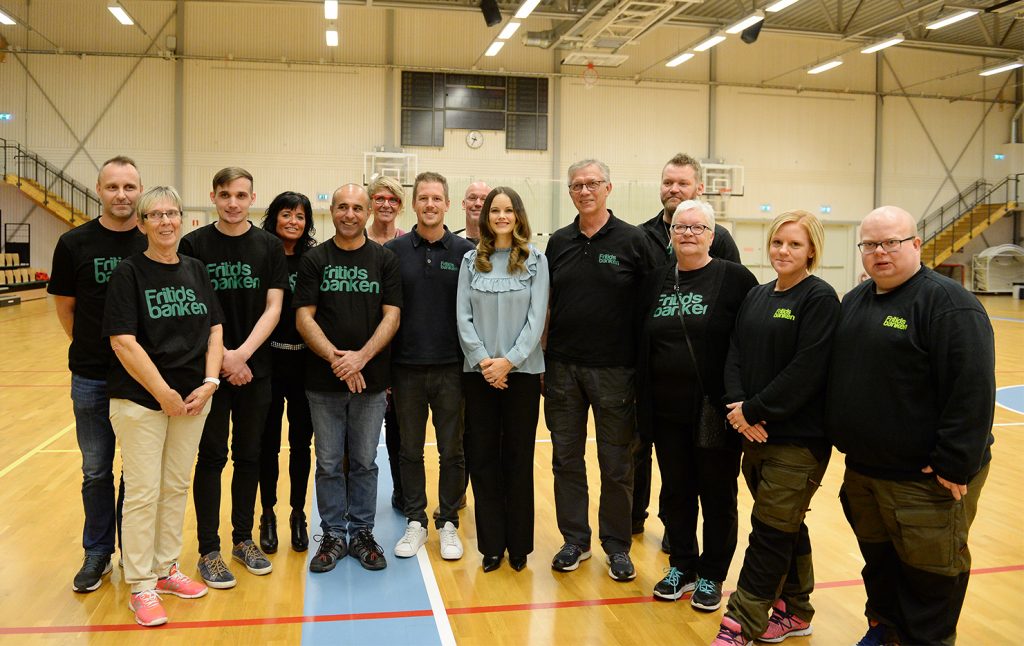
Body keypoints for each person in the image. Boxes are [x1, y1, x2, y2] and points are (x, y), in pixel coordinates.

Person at [827, 206, 995, 646]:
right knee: (879, 563)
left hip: (925, 481)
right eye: (870, 244)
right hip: (865, 472)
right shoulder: (856, 301)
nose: (880, 252)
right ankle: (886, 631)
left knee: (930, 574)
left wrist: (956, 463)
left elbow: (972, 390)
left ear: (916, 244)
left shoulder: (950, 305)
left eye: (891, 242)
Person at [712, 211, 840, 645]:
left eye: (795, 245)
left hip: (797, 441)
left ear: (812, 251)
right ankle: (796, 609)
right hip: (753, 433)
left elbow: (808, 371)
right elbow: (735, 354)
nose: (783, 251)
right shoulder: (758, 295)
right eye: (778, 243)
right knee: (786, 524)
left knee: (768, 532)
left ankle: (738, 625)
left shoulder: (819, 298)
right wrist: (739, 409)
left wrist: (754, 410)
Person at [103, 186, 224, 626]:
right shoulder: (128, 273)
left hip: (194, 400)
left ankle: (166, 566)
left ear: (181, 219)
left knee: (175, 486)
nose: (166, 221)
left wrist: (210, 381)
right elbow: (123, 341)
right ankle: (140, 584)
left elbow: (215, 330)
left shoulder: (195, 268)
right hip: (141, 402)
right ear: (142, 223)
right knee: (142, 492)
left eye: (172, 213)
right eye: (156, 215)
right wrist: (162, 393)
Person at [637, 199, 757, 611]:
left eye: (697, 228)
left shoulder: (735, 279)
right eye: (680, 227)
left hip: (714, 412)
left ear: (712, 235)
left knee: (717, 495)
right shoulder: (655, 281)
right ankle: (682, 566)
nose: (688, 233)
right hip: (665, 412)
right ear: (670, 235)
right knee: (677, 494)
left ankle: (712, 574)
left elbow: (747, 345)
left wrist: (743, 399)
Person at [544, 159, 658, 582]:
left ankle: (617, 545)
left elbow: (651, 308)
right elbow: (548, 306)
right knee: (566, 459)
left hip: (616, 372)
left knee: (616, 464)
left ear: (609, 187)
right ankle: (575, 540)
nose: (585, 190)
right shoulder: (558, 242)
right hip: (562, 370)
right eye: (577, 185)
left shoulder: (635, 240)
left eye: (593, 183)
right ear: (570, 192)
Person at [179, 167, 288, 589]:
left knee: (249, 457)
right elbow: (197, 309)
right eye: (225, 194)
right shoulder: (194, 244)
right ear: (213, 196)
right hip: (209, 373)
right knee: (210, 459)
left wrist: (243, 354)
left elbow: (274, 307)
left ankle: (242, 540)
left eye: (241, 195)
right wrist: (224, 359)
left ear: (252, 197)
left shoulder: (269, 245)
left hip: (255, 370)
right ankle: (209, 549)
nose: (233, 202)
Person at [48, 156, 147, 592]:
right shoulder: (74, 243)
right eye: (113, 187)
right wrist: (93, 349)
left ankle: (135, 551)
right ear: (99, 190)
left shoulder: (153, 241)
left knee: (140, 471)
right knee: (95, 470)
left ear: (139, 190)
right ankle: (97, 552)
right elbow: (66, 309)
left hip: (142, 377)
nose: (121, 195)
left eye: (129, 187)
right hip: (91, 376)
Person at [634, 153, 741, 542]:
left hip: (710, 399)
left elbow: (734, 320)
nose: (673, 189)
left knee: (715, 488)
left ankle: (711, 569)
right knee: (673, 481)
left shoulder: (728, 259)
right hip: (663, 396)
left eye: (682, 183)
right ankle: (673, 544)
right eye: (668, 182)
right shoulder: (642, 236)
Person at [295, 183, 402, 573]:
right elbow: (304, 315)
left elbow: (392, 314)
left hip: (371, 380)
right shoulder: (315, 259)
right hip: (322, 382)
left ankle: (361, 533)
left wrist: (361, 359)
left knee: (364, 461)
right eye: (343, 206)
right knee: (326, 461)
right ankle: (333, 536)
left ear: (368, 211)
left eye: (358, 207)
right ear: (333, 211)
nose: (350, 214)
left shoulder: (384, 259)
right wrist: (337, 359)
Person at [456, 187, 548, 573]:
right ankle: (491, 544)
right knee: (483, 460)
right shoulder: (468, 261)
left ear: (518, 215)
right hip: (479, 376)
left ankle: (519, 546)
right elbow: (463, 317)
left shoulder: (535, 261)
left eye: (508, 210)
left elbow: (536, 318)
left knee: (517, 460)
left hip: (522, 376)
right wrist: (484, 362)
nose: (501, 216)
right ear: (485, 216)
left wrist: (507, 362)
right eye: (495, 210)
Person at [385, 171, 474, 561]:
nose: (430, 205)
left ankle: (449, 521)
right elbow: (384, 314)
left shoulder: (466, 253)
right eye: (423, 198)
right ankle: (416, 521)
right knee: (408, 449)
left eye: (437, 198)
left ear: (447, 204)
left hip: (452, 368)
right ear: (414, 204)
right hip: (406, 368)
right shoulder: (393, 251)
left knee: (452, 450)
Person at [257, 192, 317, 554]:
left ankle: (297, 513)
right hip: (267, 364)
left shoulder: (314, 259)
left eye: (300, 216)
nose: (293, 221)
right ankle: (267, 514)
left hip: (305, 366)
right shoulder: (262, 254)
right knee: (266, 443)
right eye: (286, 214)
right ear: (274, 217)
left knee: (300, 444)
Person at [365, 175, 406, 509]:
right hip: (358, 348)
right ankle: (354, 494)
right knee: (355, 432)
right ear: (370, 203)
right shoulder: (353, 239)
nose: (386, 205)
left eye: (393, 199)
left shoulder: (407, 243)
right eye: (380, 198)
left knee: (397, 426)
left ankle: (402, 489)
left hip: (397, 349)